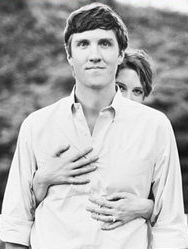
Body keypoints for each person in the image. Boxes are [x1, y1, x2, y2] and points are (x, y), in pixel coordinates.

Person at [0, 3, 188, 249]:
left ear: (121, 54)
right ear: (69, 55)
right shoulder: (37, 125)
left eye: (105, 44)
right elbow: (15, 218)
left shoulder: (155, 127)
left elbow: (170, 223)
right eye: (83, 44)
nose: (95, 55)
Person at [31, 48, 159, 232]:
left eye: (137, 91)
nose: (128, 98)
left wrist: (146, 207)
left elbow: (170, 210)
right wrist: (41, 180)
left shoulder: (152, 134)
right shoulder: (62, 130)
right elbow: (26, 209)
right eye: (121, 88)